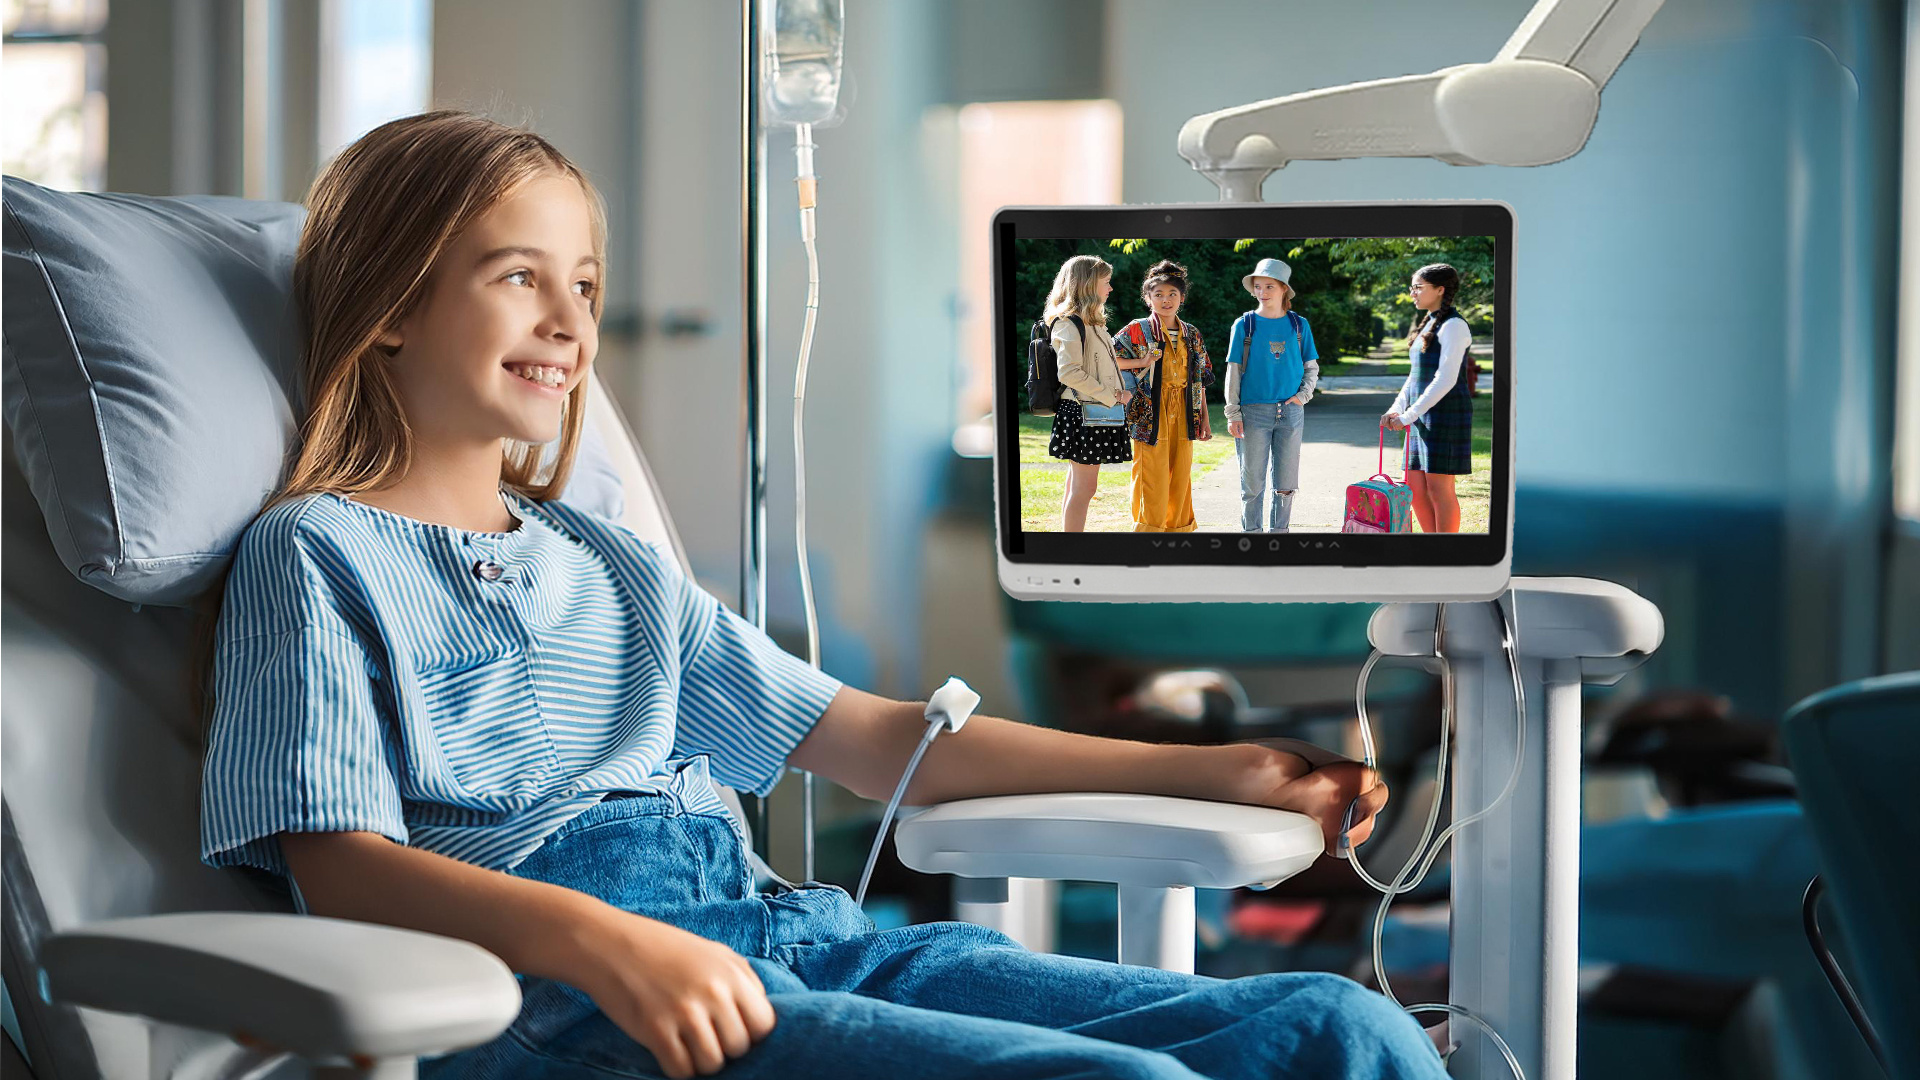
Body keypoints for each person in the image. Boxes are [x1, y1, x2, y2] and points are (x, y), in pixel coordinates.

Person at [193, 111, 1443, 1080]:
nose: (570, 321)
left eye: (583, 283)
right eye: (518, 275)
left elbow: (884, 740)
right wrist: (601, 940)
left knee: (1337, 1032)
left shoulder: (609, 561)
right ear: (393, 305)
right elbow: (342, 865)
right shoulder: (317, 556)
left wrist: (1212, 768)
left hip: (791, 936)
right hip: (562, 993)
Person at [1112, 260, 1214, 533]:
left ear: (1182, 297)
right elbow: (1108, 361)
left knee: (1181, 474)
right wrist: (1141, 361)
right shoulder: (1137, 329)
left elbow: (1201, 379)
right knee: (1151, 474)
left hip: (1185, 409)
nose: (1166, 300)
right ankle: (1148, 531)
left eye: (1172, 294)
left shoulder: (1192, 334)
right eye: (1158, 295)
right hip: (1149, 412)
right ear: (1148, 298)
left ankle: (1179, 530)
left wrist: (1204, 418)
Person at [1224, 258, 1320, 533]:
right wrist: (1233, 412)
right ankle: (1252, 537)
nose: (1262, 292)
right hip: (1253, 413)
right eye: (1258, 286)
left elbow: (1311, 366)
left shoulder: (1299, 325)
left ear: (1283, 289)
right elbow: (1234, 370)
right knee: (1252, 484)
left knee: (1286, 484)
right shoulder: (1245, 325)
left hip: (1290, 413)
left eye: (1269, 286)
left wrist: (1303, 396)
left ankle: (1280, 536)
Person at [1043, 254, 1134, 532]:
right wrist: (1112, 395)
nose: (1110, 288)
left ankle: (1068, 544)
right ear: (1087, 284)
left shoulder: (1092, 322)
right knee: (1084, 488)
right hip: (1083, 413)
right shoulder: (1068, 323)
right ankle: (1072, 548)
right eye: (1106, 282)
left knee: (1077, 486)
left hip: (1090, 411)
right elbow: (1068, 373)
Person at [1385, 264, 1474, 534]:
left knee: (1439, 488)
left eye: (1418, 287)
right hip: (1420, 413)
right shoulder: (1429, 323)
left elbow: (1446, 379)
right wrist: (1396, 408)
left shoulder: (1454, 326)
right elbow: (1415, 377)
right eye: (1412, 287)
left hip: (1445, 412)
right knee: (1414, 487)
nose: (1412, 292)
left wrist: (1408, 415)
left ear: (1440, 289)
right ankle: (1430, 545)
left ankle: (1445, 553)